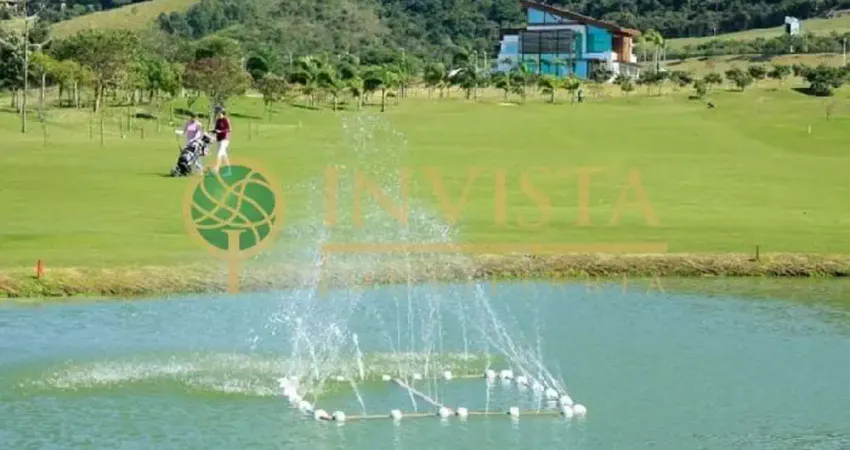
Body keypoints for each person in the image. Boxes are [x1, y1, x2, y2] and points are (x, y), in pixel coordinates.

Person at [212, 108, 232, 175]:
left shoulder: (226, 120)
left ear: (223, 113)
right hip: (218, 139)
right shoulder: (218, 120)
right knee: (224, 155)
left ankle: (216, 169)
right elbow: (216, 129)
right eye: (218, 113)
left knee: (219, 153)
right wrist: (213, 131)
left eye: (220, 113)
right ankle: (229, 171)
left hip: (225, 139)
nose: (219, 114)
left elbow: (229, 129)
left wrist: (221, 131)